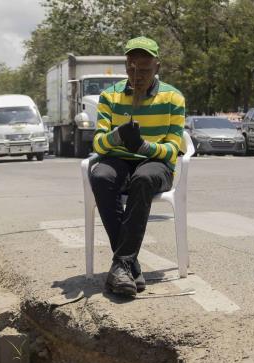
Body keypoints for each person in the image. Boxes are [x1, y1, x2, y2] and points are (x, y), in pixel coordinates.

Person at [89, 36, 185, 297]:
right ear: (125, 66)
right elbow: (99, 145)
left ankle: (121, 264)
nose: (137, 74)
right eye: (131, 68)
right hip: (118, 159)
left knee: (143, 179)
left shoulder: (173, 98)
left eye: (144, 69)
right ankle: (129, 264)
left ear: (157, 67)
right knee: (100, 176)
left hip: (156, 164)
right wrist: (117, 136)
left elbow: (172, 150)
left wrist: (143, 146)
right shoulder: (110, 96)